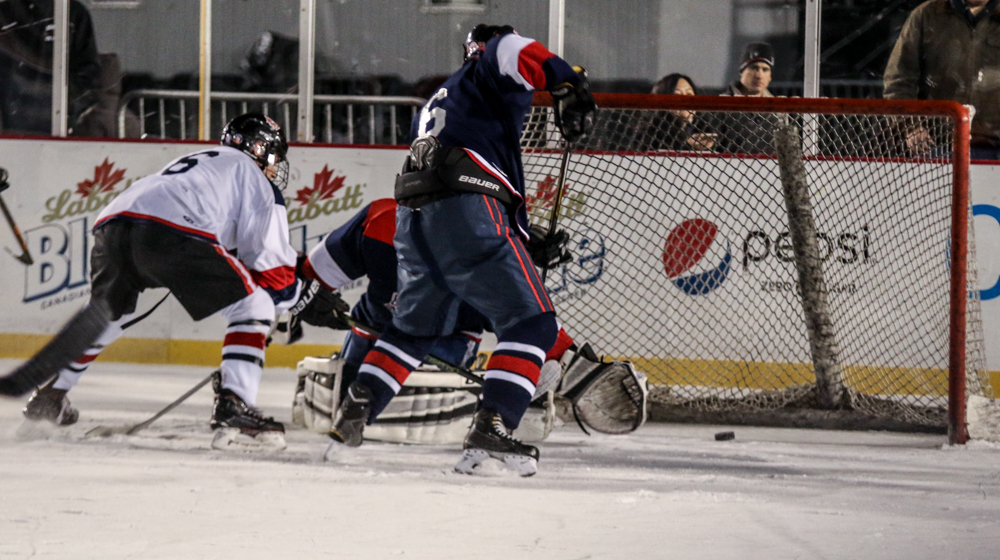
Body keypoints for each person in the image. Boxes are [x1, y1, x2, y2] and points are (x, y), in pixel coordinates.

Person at [323, 24, 596, 477]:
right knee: (532, 324)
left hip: (415, 221)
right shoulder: (487, 67)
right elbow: (512, 49)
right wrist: (567, 84)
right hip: (469, 209)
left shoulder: (441, 98)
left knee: (412, 332)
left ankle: (355, 411)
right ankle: (493, 428)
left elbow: (452, 172)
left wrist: (521, 238)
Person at [19, 113, 302, 450]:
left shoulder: (202, 162)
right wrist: (292, 301)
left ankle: (49, 397)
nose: (273, 167)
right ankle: (234, 405)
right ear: (257, 148)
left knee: (110, 313)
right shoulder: (255, 180)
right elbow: (271, 266)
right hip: (171, 229)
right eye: (271, 156)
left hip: (114, 223)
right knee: (252, 305)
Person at [883, 0, 1000, 160]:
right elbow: (898, 80)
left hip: (995, 146)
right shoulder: (926, 15)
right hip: (936, 145)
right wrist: (910, 126)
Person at [0, 0, 101, 135]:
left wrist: (66, 107)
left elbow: (88, 73)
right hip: (9, 124)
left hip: (60, 125)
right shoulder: (4, 13)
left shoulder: (74, 13)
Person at [717, 42, 777, 155]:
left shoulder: (778, 109)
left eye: (765, 69)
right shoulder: (720, 105)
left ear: (770, 76)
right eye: (754, 68)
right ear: (742, 71)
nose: (759, 75)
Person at [647, 73, 716, 151]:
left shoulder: (705, 128)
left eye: (689, 94)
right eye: (678, 95)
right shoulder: (651, 133)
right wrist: (688, 145)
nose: (685, 100)